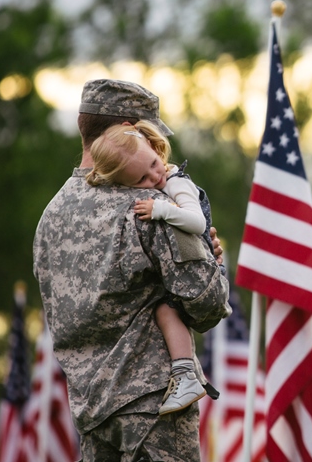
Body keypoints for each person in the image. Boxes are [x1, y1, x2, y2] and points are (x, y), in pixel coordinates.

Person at [33, 79, 230, 461]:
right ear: (128, 130)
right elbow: (208, 303)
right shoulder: (149, 204)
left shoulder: (51, 216)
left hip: (90, 411)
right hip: (156, 410)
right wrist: (212, 258)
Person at [86, 119, 215, 415]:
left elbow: (197, 222)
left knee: (165, 309)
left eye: (155, 163)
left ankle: (186, 376)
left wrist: (161, 209)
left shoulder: (176, 182)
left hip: (203, 267)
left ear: (155, 147)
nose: (155, 176)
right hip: (185, 260)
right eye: (142, 179)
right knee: (161, 306)